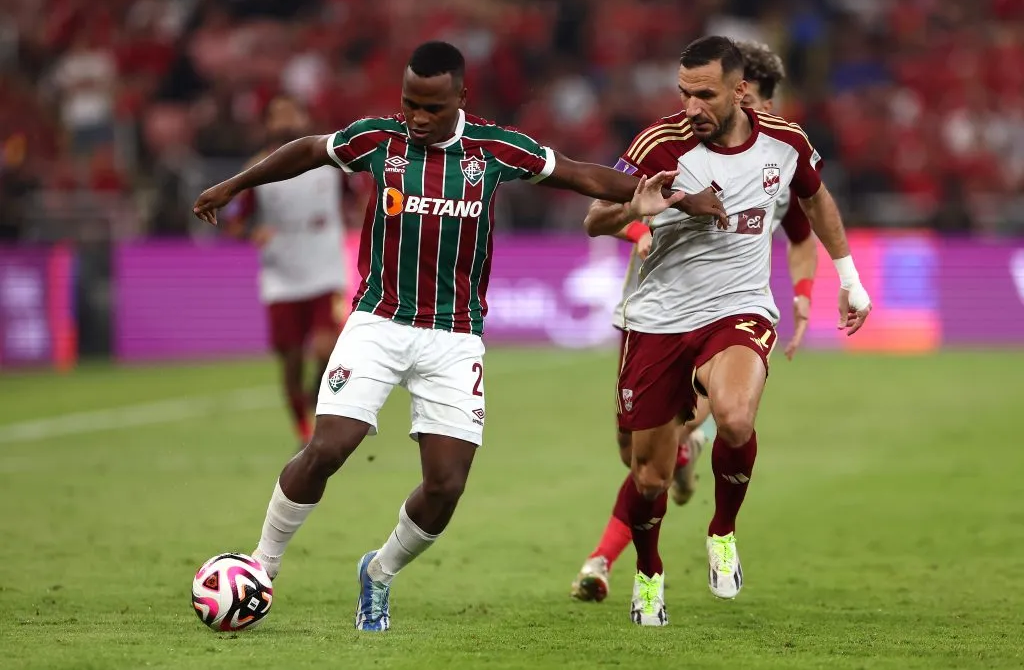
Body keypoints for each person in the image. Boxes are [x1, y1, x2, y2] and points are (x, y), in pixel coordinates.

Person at [192, 41, 726, 632]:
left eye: (432, 108)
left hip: (455, 337)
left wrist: (670, 197)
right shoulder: (379, 140)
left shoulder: (494, 149)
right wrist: (234, 185)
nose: (418, 118)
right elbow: (308, 149)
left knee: (446, 485)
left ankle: (379, 572)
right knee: (329, 446)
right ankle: (261, 566)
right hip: (379, 322)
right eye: (410, 104)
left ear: (461, 99)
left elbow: (579, 174)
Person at [582, 35, 872, 626]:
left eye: (705, 95)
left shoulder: (785, 142)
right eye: (684, 94)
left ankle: (722, 531)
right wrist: (643, 209)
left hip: (738, 308)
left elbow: (815, 205)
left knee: (735, 417)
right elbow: (595, 219)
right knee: (647, 473)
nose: (692, 107)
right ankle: (649, 571)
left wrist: (848, 278)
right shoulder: (659, 144)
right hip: (659, 319)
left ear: (740, 91)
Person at [222, 94, 352, 447]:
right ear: (267, 124)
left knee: (327, 348)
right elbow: (233, 221)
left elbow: (356, 198)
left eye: (291, 114)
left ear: (305, 118)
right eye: (278, 115)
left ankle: (317, 400)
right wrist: (252, 231)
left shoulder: (331, 160)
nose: (285, 122)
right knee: (291, 360)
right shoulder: (258, 170)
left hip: (325, 267)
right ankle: (303, 432)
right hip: (282, 275)